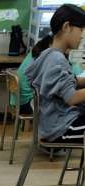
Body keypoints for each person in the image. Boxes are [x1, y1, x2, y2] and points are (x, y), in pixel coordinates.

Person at [25, 4, 85, 142]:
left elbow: (67, 83)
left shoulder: (49, 54)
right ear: (66, 27)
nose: (82, 36)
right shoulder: (56, 59)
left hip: (54, 122)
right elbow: (71, 98)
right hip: (62, 127)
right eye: (81, 29)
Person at [10, 28, 82, 115]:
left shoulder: (38, 52)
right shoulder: (51, 58)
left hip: (19, 100)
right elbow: (68, 93)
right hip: (29, 103)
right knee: (74, 108)